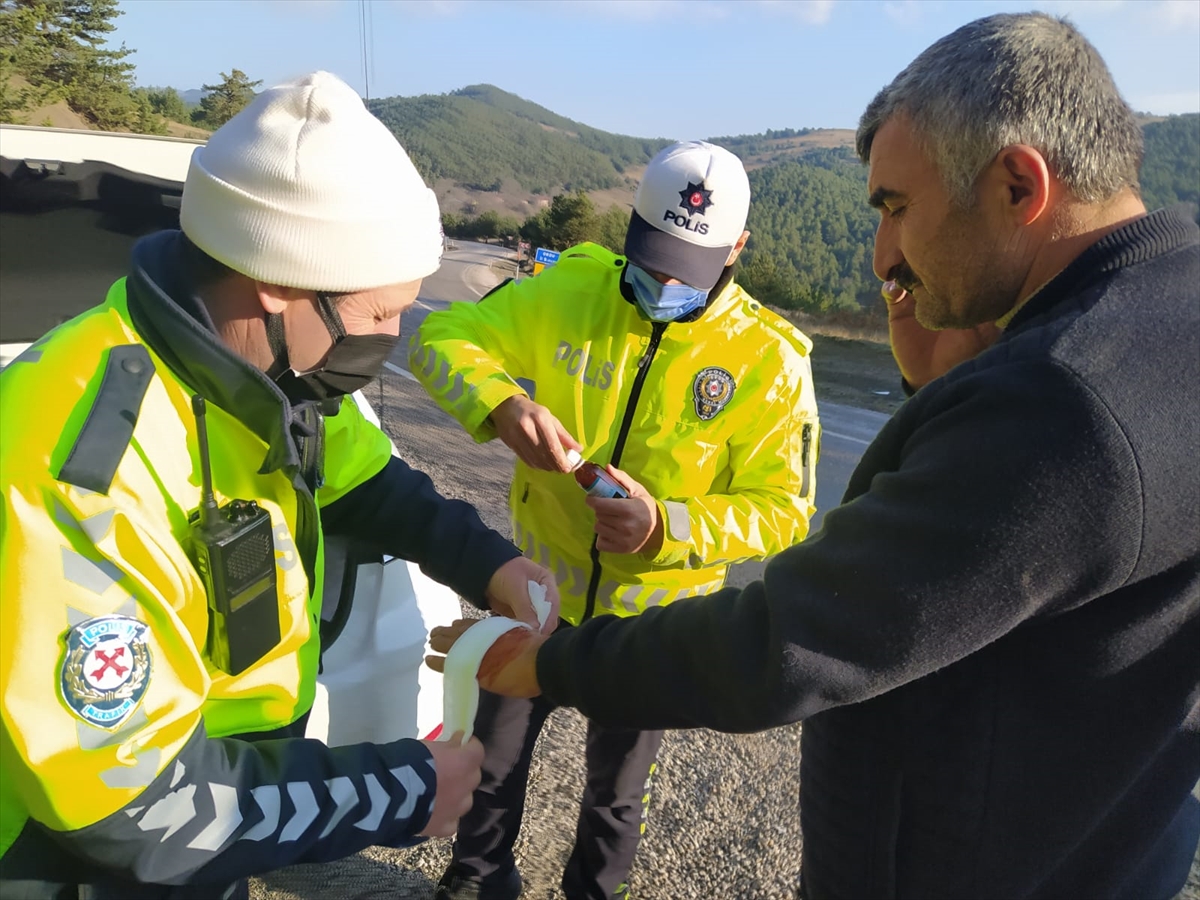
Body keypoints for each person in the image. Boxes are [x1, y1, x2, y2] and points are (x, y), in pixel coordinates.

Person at [428, 13, 1200, 899]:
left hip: (955, 867)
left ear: (1019, 185)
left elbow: (797, 636)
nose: (884, 256)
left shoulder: (1061, 396)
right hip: (1103, 854)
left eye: (896, 208)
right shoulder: (1165, 326)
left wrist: (556, 655)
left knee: (614, 800)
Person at [0, 71, 560, 900]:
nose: (392, 337)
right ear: (277, 283)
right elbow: (122, 804)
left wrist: (490, 565)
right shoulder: (81, 458)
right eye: (377, 316)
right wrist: (403, 790)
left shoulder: (270, 378)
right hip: (74, 864)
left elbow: (371, 485)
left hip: (217, 820)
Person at [411, 140, 820, 899]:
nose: (662, 282)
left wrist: (667, 528)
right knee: (491, 761)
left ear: (737, 249)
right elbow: (438, 338)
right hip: (534, 597)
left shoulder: (771, 362)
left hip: (653, 625)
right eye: (652, 258)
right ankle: (475, 883)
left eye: (685, 270)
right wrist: (500, 404)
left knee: (616, 797)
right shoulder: (570, 289)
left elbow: (785, 511)